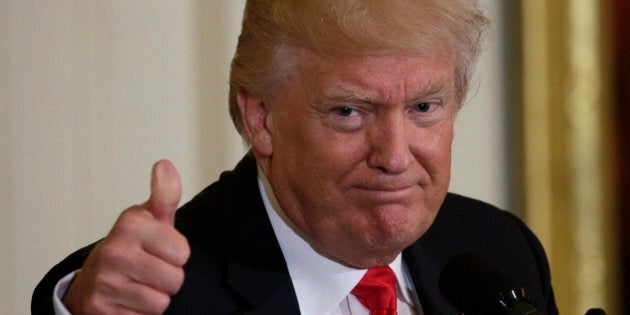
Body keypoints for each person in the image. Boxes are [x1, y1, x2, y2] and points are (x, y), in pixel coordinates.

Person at [32, 1, 559, 314]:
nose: (395, 158)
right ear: (262, 118)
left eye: (424, 107)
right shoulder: (158, 292)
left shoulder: (499, 249)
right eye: (350, 112)